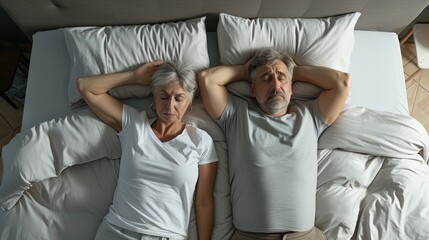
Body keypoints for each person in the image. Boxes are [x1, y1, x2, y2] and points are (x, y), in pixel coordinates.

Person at [198, 48, 351, 240]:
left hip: (304, 236)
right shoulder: (237, 116)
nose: (276, 85)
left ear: (292, 87)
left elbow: (342, 82)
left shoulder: (310, 116)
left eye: (281, 78)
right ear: (252, 88)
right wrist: (244, 71)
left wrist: (296, 70)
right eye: (266, 78)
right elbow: (207, 79)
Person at [77, 60, 218, 240]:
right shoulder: (134, 124)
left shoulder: (201, 141)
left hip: (167, 235)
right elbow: (85, 86)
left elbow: (204, 202)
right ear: (154, 96)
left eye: (179, 98)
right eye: (163, 96)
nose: (169, 106)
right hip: (117, 230)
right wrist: (134, 76)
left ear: (189, 101)